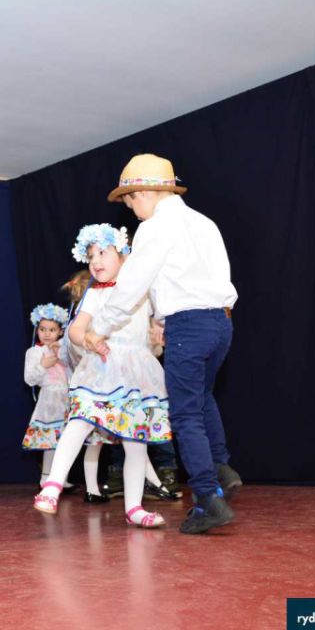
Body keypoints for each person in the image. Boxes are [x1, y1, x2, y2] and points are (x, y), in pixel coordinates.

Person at [86, 153, 240, 534]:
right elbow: (189, 278)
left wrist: (99, 328)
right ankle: (221, 467)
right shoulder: (204, 223)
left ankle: (208, 499)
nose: (130, 208)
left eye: (130, 200)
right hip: (221, 322)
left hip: (190, 326)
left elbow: (131, 286)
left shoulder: (154, 227)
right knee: (203, 396)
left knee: (185, 414)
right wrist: (160, 320)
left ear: (145, 192)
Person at [33, 223, 171, 528]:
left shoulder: (143, 290)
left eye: (102, 253)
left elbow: (154, 331)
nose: (95, 261)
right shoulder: (95, 294)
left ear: (123, 255)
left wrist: (157, 337)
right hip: (102, 368)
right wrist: (87, 340)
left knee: (136, 441)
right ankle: (53, 485)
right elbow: (76, 330)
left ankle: (134, 508)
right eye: (90, 256)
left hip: (135, 373)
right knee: (79, 421)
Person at [22, 303, 71, 485]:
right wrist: (43, 365)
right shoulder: (34, 352)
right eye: (42, 329)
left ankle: (60, 478)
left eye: (52, 330)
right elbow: (30, 379)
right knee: (50, 439)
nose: (47, 334)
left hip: (67, 398)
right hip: (49, 399)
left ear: (60, 331)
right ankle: (45, 477)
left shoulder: (65, 350)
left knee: (66, 440)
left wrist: (63, 355)